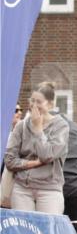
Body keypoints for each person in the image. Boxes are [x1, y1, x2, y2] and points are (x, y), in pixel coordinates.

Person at [4, 82, 69, 214]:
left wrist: (38, 129)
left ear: (50, 104)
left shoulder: (61, 126)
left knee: (47, 232)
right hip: (22, 188)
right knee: (23, 232)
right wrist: (33, 163)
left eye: (39, 101)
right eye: (32, 100)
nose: (34, 105)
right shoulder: (21, 126)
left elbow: (47, 155)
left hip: (49, 189)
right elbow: (9, 160)